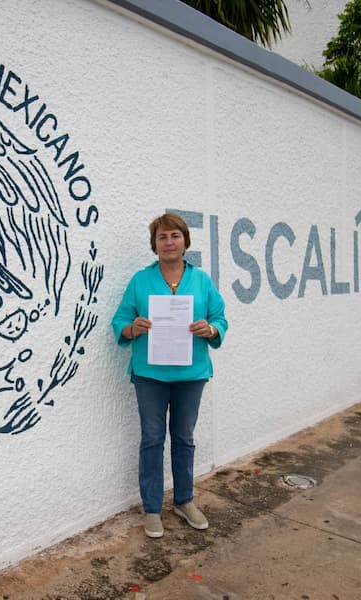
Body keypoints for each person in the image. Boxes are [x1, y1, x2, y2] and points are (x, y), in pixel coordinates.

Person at [111, 212, 228, 538]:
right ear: (155, 244)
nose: (169, 242)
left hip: (191, 373)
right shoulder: (140, 281)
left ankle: (184, 500)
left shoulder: (202, 281)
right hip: (150, 374)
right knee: (152, 439)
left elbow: (220, 318)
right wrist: (132, 328)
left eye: (175, 235)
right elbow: (120, 321)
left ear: (185, 241)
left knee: (184, 438)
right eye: (162, 237)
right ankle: (152, 508)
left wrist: (211, 328)